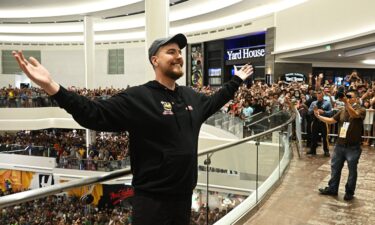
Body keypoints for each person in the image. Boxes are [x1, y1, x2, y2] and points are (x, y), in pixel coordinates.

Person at [13, 33, 253, 225]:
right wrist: (52, 87)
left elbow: (215, 100)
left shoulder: (191, 97)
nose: (178, 56)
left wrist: (237, 80)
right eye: (171, 52)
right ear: (154, 60)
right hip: (151, 204)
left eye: (180, 52)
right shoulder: (138, 97)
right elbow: (93, 114)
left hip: (183, 199)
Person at [314, 90, 365, 201]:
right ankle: (332, 188)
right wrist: (319, 117)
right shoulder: (342, 110)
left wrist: (346, 103)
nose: (346, 98)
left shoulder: (361, 109)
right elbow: (332, 120)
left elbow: (354, 115)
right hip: (340, 145)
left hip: (353, 147)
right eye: (346, 96)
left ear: (356, 99)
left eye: (349, 96)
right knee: (335, 168)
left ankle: (349, 192)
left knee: (352, 171)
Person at [307, 89, 333, 156]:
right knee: (313, 136)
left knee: (325, 137)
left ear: (323, 96)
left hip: (324, 121)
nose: (319, 98)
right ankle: (312, 150)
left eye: (320, 97)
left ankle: (326, 151)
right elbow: (308, 112)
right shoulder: (313, 103)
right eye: (318, 97)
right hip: (315, 121)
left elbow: (331, 112)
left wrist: (323, 112)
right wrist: (313, 110)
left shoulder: (327, 103)